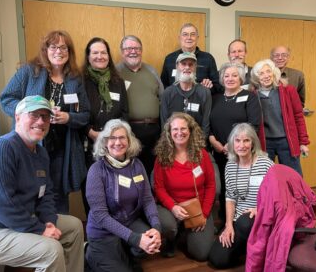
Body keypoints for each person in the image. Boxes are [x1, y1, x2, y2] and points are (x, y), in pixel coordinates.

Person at [0, 95, 84, 272]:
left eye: (45, 117)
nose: (40, 121)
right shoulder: (3, 148)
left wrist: (49, 221)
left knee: (75, 227)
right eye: (34, 115)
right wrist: (40, 230)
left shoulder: (41, 153)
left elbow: (46, 194)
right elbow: (2, 204)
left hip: (10, 223)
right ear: (17, 117)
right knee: (51, 250)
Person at [0, 30, 90, 214]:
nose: (59, 51)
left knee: (57, 194)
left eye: (63, 47)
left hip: (62, 149)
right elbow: (6, 99)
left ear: (69, 51)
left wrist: (69, 117)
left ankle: (61, 234)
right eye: (54, 47)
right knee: (30, 191)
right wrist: (31, 111)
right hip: (31, 146)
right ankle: (36, 233)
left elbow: (86, 114)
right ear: (45, 50)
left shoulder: (75, 79)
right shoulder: (29, 72)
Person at [85, 119, 161, 271]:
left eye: (122, 137)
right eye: (112, 138)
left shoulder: (137, 165)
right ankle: (90, 254)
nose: (117, 142)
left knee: (150, 240)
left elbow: (147, 200)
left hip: (129, 223)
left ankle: (127, 253)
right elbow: (100, 216)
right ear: (105, 142)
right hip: (103, 232)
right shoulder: (96, 170)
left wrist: (156, 228)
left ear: (129, 140)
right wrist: (135, 239)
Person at [208, 123, 274, 269]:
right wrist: (228, 225)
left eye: (246, 140)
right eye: (237, 140)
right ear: (232, 143)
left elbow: (276, 195)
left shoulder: (266, 164)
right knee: (217, 259)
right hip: (239, 221)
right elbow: (230, 198)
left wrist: (259, 209)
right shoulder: (230, 166)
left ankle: (257, 248)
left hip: (261, 216)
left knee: (247, 222)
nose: (241, 145)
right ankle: (246, 247)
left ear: (253, 143)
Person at [154, 112, 216, 261]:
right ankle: (172, 237)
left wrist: (204, 214)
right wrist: (173, 207)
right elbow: (159, 188)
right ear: (169, 132)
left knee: (202, 254)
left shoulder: (202, 155)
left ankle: (186, 232)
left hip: (198, 208)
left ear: (190, 130)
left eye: (183, 128)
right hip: (172, 207)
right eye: (175, 129)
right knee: (167, 225)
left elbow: (211, 185)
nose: (179, 133)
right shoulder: (162, 157)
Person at [209, 62, 262, 222]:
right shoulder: (214, 98)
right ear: (221, 79)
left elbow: (254, 124)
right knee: (225, 187)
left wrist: (232, 144)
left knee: (243, 185)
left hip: (242, 151)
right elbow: (207, 122)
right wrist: (212, 140)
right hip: (218, 150)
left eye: (234, 75)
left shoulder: (250, 97)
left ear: (240, 78)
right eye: (226, 76)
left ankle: (244, 219)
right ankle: (227, 220)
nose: (230, 79)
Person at [81, 37, 129, 214]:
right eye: (95, 52)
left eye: (103, 52)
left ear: (109, 56)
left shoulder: (118, 82)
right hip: (88, 145)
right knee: (92, 190)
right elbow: (76, 112)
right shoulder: (80, 82)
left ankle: (117, 229)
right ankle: (96, 231)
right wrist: (90, 132)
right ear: (88, 56)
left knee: (115, 189)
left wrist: (114, 137)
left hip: (114, 146)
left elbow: (124, 113)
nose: (100, 56)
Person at [250, 59, 310, 176]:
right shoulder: (253, 95)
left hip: (287, 141)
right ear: (256, 77)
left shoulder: (289, 91)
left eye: (268, 71)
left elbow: (298, 116)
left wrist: (303, 142)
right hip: (265, 142)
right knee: (266, 177)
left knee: (293, 176)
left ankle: (297, 195)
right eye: (261, 73)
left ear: (274, 73)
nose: (266, 76)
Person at [116, 35, 163, 176]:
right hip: (129, 131)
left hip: (154, 131)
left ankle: (148, 198)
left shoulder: (152, 71)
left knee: (151, 171)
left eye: (136, 48)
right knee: (129, 172)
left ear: (141, 51)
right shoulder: (115, 72)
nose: (133, 51)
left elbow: (162, 97)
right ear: (122, 52)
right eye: (129, 48)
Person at [160, 52, 212, 137]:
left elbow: (205, 125)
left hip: (196, 144)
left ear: (195, 68)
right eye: (183, 64)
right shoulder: (168, 93)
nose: (187, 67)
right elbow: (164, 125)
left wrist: (200, 145)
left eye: (191, 64)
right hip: (174, 143)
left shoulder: (204, 92)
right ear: (177, 66)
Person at [160, 23, 221, 93]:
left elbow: (217, 86)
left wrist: (208, 87)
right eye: (185, 34)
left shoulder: (208, 58)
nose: (189, 37)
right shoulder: (169, 58)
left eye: (193, 34)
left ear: (197, 38)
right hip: (175, 101)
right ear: (180, 38)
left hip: (201, 101)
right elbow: (163, 85)